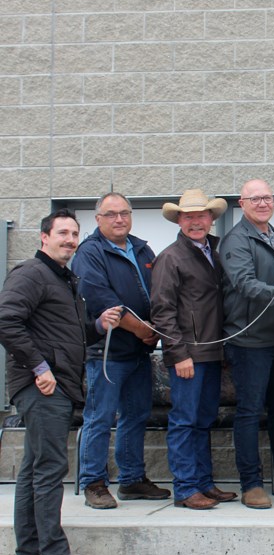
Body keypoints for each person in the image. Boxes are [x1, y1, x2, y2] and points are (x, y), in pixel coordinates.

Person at [0, 209, 120, 555]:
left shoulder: (63, 279)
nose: (70, 239)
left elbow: (67, 334)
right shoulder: (32, 273)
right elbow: (6, 320)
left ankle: (30, 554)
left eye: (74, 234)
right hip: (42, 387)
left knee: (34, 469)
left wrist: (98, 325)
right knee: (51, 470)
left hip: (57, 384)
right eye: (62, 233)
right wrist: (39, 367)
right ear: (44, 237)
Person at [71, 192, 169, 509]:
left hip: (139, 353)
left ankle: (131, 480)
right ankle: (94, 483)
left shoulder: (142, 248)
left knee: (136, 416)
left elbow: (159, 292)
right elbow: (102, 300)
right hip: (107, 353)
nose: (119, 219)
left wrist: (153, 331)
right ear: (98, 219)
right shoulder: (89, 253)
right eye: (111, 214)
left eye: (124, 213)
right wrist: (144, 330)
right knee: (100, 418)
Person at [152, 189, 236, 510]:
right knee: (184, 421)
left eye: (201, 216)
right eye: (189, 217)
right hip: (188, 355)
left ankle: (203, 483)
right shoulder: (170, 258)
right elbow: (162, 311)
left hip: (213, 351)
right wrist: (178, 353)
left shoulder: (217, 250)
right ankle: (185, 488)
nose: (195, 222)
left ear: (211, 219)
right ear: (180, 221)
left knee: (204, 420)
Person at [221, 179, 274, 509]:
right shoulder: (236, 240)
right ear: (242, 203)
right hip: (249, 340)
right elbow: (243, 283)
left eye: (267, 197)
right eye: (255, 199)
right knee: (250, 413)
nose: (262, 203)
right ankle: (251, 484)